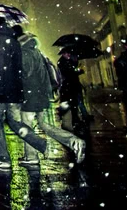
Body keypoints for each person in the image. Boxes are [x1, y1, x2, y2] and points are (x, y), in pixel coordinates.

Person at [16, 29, 85, 166]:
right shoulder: (37, 53)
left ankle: (31, 157)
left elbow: (25, 75)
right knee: (45, 125)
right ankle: (74, 141)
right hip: (41, 95)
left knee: (26, 126)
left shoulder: (24, 53)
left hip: (30, 96)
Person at [0, 16, 48, 169]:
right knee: (14, 122)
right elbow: (16, 67)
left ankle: (3, 159)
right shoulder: (13, 41)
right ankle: (40, 143)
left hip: (1, 91)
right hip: (14, 89)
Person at [58, 51, 87, 131]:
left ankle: (75, 120)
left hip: (73, 86)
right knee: (71, 104)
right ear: (63, 54)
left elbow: (72, 72)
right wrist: (78, 71)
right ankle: (72, 122)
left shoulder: (68, 61)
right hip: (69, 87)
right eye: (67, 53)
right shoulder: (62, 62)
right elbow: (69, 73)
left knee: (74, 104)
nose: (69, 55)